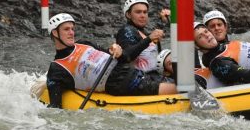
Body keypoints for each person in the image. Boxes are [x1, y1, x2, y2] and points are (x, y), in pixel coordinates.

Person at [46, 13, 178, 108]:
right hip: (121, 83)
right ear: (55, 33)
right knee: (180, 89)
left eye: (72, 29)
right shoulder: (57, 69)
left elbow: (122, 57)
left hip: (130, 70)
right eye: (66, 29)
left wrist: (117, 50)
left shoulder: (84, 43)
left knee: (182, 82)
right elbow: (55, 107)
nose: (71, 33)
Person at [115, 0, 176, 93]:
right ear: (128, 14)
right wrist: (149, 39)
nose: (143, 15)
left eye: (145, 12)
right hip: (139, 81)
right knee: (182, 87)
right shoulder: (126, 30)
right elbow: (126, 56)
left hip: (154, 77)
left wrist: (167, 21)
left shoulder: (144, 32)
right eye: (138, 12)